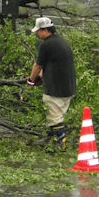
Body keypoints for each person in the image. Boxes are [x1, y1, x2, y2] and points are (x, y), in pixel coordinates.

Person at [27, 17, 76, 150]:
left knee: (54, 116)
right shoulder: (61, 41)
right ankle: (50, 139)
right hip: (68, 86)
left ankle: (61, 142)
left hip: (56, 87)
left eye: (38, 31)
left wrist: (31, 80)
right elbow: (51, 64)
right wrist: (41, 77)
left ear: (44, 30)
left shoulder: (46, 44)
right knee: (56, 114)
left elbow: (37, 66)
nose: (37, 34)